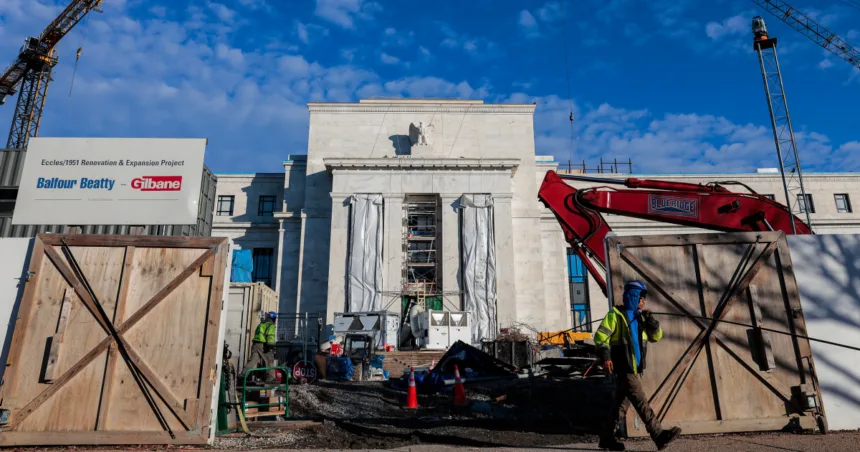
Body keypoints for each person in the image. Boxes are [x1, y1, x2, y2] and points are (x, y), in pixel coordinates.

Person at [594, 281, 681, 451]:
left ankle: (606, 438)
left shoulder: (641, 317)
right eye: (641, 298)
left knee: (620, 405)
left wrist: (651, 321)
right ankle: (658, 434)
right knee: (641, 401)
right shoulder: (615, 315)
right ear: (633, 297)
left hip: (635, 368)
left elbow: (656, 337)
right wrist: (605, 357)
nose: (643, 302)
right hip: (624, 368)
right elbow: (600, 337)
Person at [241, 311, 278, 383]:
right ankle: (270, 378)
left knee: (252, 361)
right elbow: (270, 337)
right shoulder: (271, 325)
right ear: (273, 319)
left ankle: (242, 376)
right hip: (264, 346)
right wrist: (271, 346)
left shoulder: (261, 325)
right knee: (269, 360)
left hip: (255, 345)